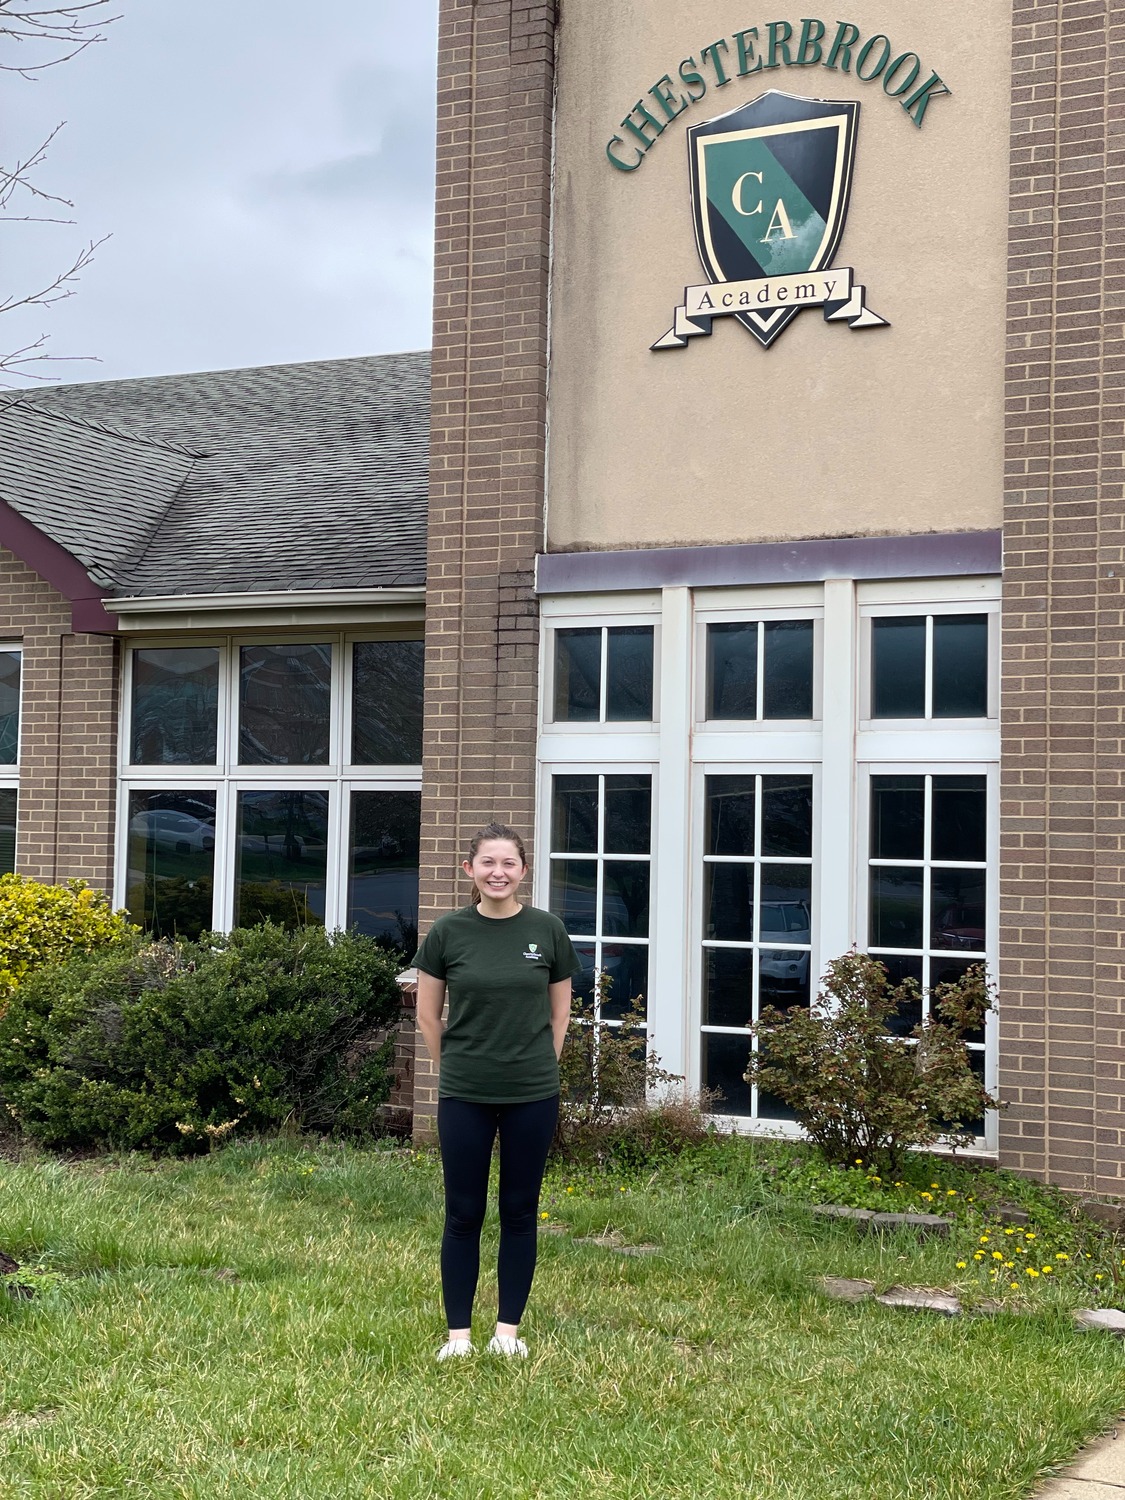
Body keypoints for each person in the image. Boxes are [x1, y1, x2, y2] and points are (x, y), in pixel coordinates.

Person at [411, 821, 579, 1361]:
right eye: (488, 863)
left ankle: (507, 1333)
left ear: (524, 871)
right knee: (463, 1212)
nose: (498, 872)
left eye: (509, 863)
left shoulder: (548, 930)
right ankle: (458, 1336)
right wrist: (456, 1067)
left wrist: (536, 1068)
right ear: (469, 870)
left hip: (533, 1092)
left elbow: (560, 1014)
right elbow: (427, 1014)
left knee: (520, 1210)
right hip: (465, 1093)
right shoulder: (448, 934)